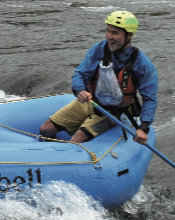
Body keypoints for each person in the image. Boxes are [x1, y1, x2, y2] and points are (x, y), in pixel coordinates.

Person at [40, 10, 157, 145]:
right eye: (108, 31)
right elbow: (81, 73)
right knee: (45, 129)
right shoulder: (99, 49)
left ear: (129, 35)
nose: (109, 36)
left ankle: (68, 159)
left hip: (112, 112)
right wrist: (79, 90)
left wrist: (144, 127)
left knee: (76, 140)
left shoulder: (143, 64)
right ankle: (54, 154)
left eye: (115, 33)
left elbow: (150, 98)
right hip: (89, 102)